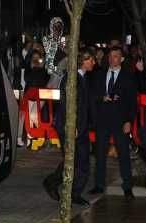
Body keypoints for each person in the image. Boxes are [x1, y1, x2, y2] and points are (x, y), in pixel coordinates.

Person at [43, 48, 96, 208]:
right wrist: (71, 126)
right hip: (70, 126)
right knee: (71, 160)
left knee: (83, 161)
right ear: (83, 61)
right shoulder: (71, 78)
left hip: (81, 127)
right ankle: (52, 182)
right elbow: (67, 104)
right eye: (91, 59)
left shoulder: (84, 78)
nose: (94, 62)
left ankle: (75, 193)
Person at [89, 46, 137, 200]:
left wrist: (129, 121)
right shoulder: (100, 74)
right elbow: (93, 94)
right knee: (100, 154)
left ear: (121, 59)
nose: (111, 59)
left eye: (115, 56)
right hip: (102, 120)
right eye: (110, 56)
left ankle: (127, 186)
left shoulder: (128, 77)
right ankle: (99, 185)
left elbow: (132, 102)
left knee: (123, 154)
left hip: (120, 121)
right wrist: (101, 98)